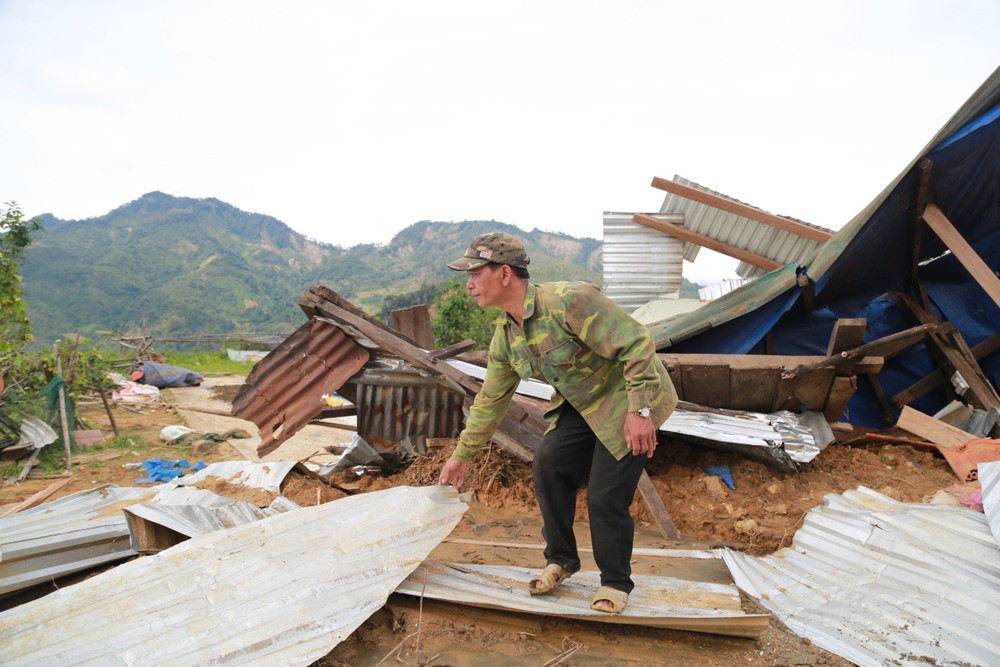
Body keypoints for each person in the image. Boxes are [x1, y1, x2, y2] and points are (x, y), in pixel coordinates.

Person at [438, 231, 678, 614]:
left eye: (474, 273)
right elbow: (490, 401)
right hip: (581, 403)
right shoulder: (506, 334)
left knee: (605, 493)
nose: (468, 283)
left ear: (503, 273)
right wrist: (462, 455)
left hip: (627, 396)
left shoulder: (570, 300)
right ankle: (562, 559)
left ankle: (615, 582)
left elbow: (636, 342)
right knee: (548, 466)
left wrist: (641, 412)